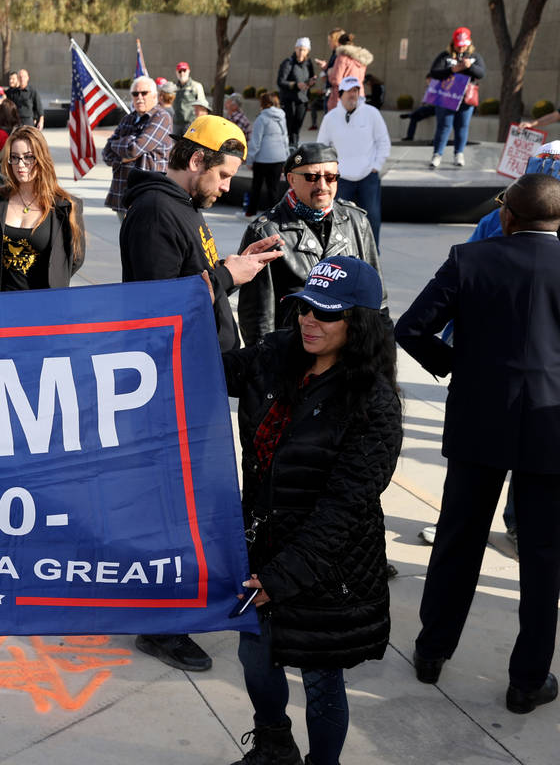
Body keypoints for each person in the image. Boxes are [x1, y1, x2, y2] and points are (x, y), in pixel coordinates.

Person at [120, 114, 284, 673]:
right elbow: (157, 306)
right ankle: (160, 624)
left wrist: (231, 268)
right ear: (195, 162)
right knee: (171, 507)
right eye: (222, 175)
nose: (226, 187)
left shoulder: (183, 209)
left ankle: (180, 608)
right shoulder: (154, 212)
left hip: (199, 376)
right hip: (170, 386)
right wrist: (225, 277)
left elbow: (191, 280)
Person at [223, 256, 402, 765]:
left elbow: (342, 513)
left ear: (360, 324)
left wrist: (279, 579)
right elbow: (200, 368)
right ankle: (274, 744)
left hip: (327, 571)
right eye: (303, 307)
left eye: (326, 314)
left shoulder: (374, 404)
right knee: (255, 660)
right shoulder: (276, 354)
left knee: (322, 683)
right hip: (259, 551)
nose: (308, 320)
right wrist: (209, 285)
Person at [395, 173, 560, 715]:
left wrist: (459, 366)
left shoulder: (470, 259)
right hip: (548, 429)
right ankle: (527, 681)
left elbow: (412, 329)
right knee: (542, 556)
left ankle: (431, 651)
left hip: (477, 419)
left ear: (507, 215)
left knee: (458, 537)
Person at [238, 142, 385, 347]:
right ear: (291, 179)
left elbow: (378, 300)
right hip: (295, 354)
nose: (322, 185)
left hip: (349, 356)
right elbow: (257, 319)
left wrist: (380, 355)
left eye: (331, 177)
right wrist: (267, 367)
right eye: (312, 177)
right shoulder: (266, 232)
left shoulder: (357, 222)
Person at [0, 126, 84, 292]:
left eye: (28, 157)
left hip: (43, 304)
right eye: (14, 157)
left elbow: (74, 259)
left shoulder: (64, 207)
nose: (20, 165)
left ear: (41, 158)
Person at [317, 75, 390, 247]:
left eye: (356, 91)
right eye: (349, 91)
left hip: (368, 176)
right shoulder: (331, 118)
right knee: (338, 220)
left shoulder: (372, 113)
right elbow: (322, 147)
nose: (353, 95)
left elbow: (383, 142)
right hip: (341, 179)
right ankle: (341, 257)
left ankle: (373, 257)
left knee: (372, 218)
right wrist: (329, 172)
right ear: (340, 94)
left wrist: (376, 166)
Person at [102, 76, 174, 219]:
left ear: (155, 95)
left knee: (145, 239)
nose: (139, 97)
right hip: (122, 193)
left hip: (147, 193)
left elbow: (134, 149)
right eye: (135, 94)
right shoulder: (128, 119)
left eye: (144, 93)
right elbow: (106, 153)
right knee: (126, 240)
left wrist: (119, 144)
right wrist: (123, 158)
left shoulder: (161, 117)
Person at [428, 26, 486, 169]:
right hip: (446, 96)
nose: (461, 48)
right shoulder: (445, 56)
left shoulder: (475, 57)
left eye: (464, 45)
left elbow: (481, 73)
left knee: (462, 126)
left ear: (469, 43)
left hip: (466, 98)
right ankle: (437, 154)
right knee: (444, 126)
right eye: (458, 45)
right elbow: (434, 72)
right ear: (453, 43)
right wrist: (452, 70)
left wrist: (469, 67)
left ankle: (459, 153)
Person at [246, 93, 289, 218]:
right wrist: (286, 157)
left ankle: (250, 212)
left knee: (256, 187)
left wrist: (250, 159)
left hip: (262, 158)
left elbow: (256, 141)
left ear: (263, 103)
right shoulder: (282, 116)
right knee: (273, 188)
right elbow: (285, 138)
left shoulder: (261, 118)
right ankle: (274, 214)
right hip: (278, 157)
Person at [277, 37, 316, 146]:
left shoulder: (308, 64)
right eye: (299, 49)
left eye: (304, 50)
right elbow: (281, 81)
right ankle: (287, 148)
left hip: (302, 99)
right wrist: (295, 85)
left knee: (297, 126)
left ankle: (293, 147)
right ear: (295, 49)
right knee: (288, 126)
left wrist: (311, 82)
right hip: (289, 99)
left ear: (308, 51)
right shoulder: (288, 63)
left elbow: (311, 78)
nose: (301, 52)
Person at [325, 34, 372, 113]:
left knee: (339, 123)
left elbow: (336, 80)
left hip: (343, 97)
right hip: (358, 95)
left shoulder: (342, 58)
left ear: (339, 44)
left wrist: (330, 72)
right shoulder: (361, 59)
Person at [171, 61, 206, 137]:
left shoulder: (196, 86)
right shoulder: (173, 87)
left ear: (188, 71)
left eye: (184, 70)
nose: (182, 73)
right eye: (180, 71)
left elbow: (202, 105)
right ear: (176, 72)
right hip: (176, 123)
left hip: (190, 123)